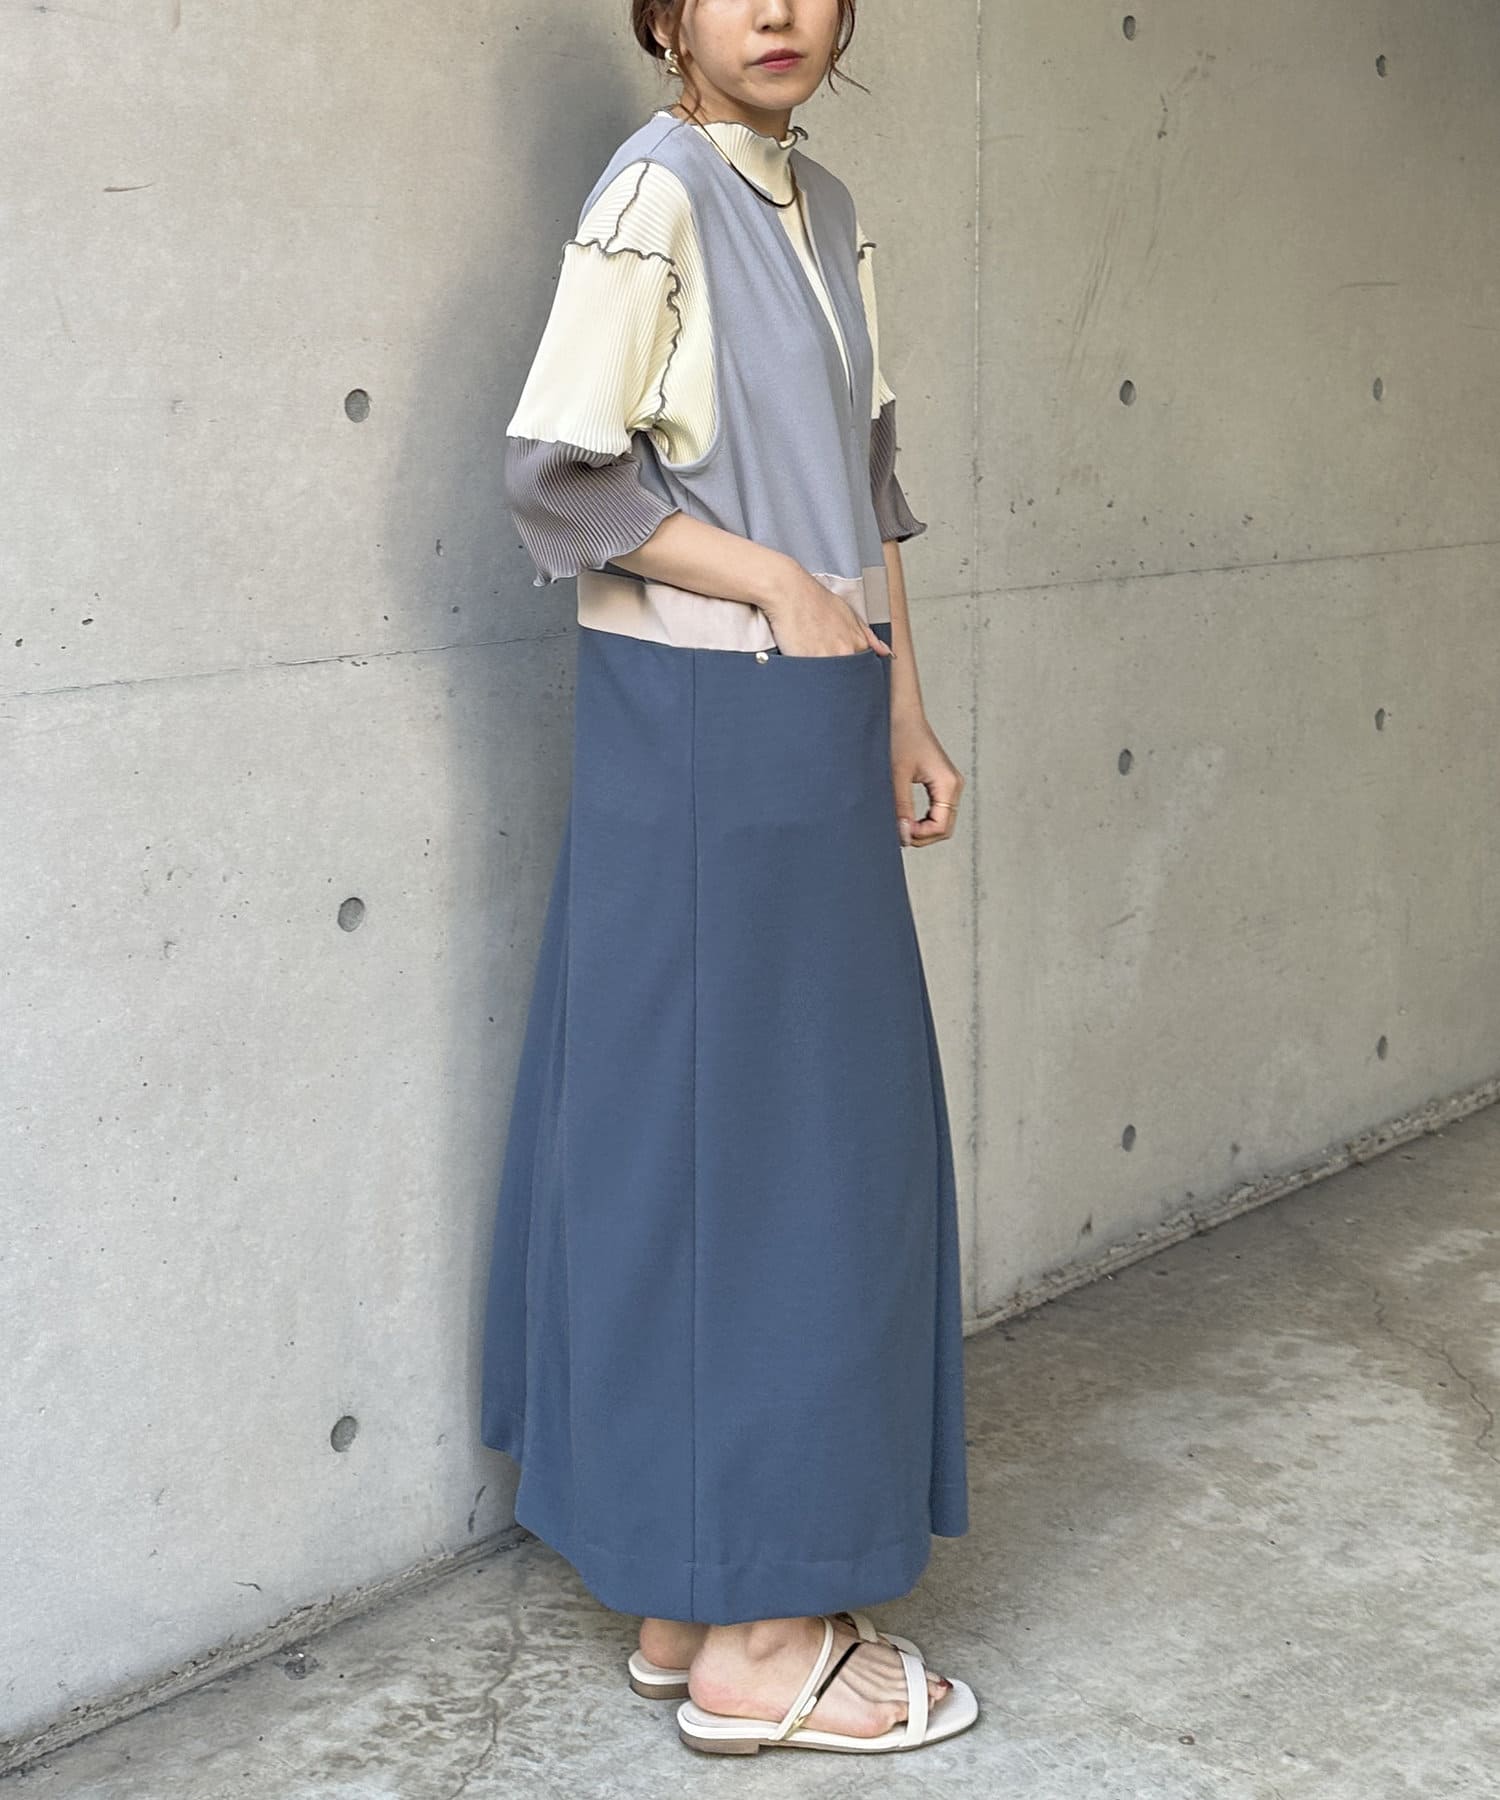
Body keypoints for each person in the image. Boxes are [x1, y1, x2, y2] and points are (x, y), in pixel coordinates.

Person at [479, 0, 978, 1757]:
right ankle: (765, 1643)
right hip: (705, 721)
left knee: (738, 1141)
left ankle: (692, 1595)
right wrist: (775, 588)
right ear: (665, 16)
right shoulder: (658, 191)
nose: (776, 9)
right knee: (784, 1158)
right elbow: (559, 476)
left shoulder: (824, 208)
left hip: (804, 720)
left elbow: (868, 498)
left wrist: (901, 708)